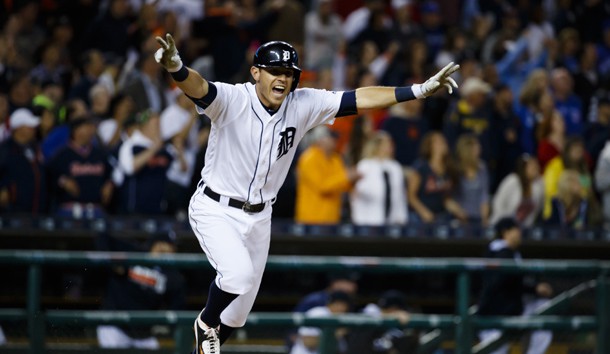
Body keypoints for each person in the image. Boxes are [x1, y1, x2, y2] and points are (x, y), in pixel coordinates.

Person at [154, 32, 459, 354]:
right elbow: (199, 88)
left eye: (288, 74)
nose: (282, 79)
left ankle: (205, 345)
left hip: (260, 215)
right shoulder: (233, 99)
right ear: (256, 72)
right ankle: (205, 323)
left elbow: (358, 98)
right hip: (215, 207)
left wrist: (418, 90)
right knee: (237, 277)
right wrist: (177, 68)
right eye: (275, 72)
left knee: (238, 314)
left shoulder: (303, 104)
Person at [95, 230, 186, 349]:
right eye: (169, 245)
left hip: (143, 334)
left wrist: (165, 325)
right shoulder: (134, 252)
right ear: (157, 244)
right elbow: (102, 237)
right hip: (114, 327)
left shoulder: (173, 276)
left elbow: (177, 307)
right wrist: (113, 264)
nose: (172, 250)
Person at [477, 217, 553, 354]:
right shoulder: (501, 252)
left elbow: (513, 282)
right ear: (506, 232)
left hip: (510, 310)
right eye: (516, 230)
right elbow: (507, 280)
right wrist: (534, 288)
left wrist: (533, 288)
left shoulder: (509, 253)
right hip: (494, 315)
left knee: (543, 307)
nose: (520, 233)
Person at [350, 131, 408, 226]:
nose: (391, 147)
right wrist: (357, 218)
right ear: (377, 146)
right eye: (387, 144)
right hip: (368, 220)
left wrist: (401, 217)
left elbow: (400, 194)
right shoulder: (365, 165)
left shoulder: (395, 167)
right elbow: (357, 193)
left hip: (392, 221)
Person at [345, 290, 417, 354]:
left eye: (393, 310)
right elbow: (357, 348)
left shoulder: (405, 326)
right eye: (384, 309)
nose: (388, 312)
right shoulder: (369, 319)